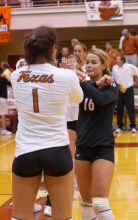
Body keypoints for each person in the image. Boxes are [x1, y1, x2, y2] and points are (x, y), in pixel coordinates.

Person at [10, 26, 84, 220]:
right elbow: (78, 98)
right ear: (53, 48)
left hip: (25, 151)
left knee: (19, 216)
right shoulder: (66, 75)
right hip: (56, 150)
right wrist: (74, 77)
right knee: (63, 216)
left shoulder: (15, 75)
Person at [75, 48, 118, 220]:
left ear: (103, 65)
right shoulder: (85, 86)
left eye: (94, 62)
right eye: (87, 62)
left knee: (100, 203)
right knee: (86, 203)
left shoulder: (111, 84)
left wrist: (84, 82)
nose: (89, 65)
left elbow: (100, 99)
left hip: (103, 147)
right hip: (83, 146)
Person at [112, 54, 138, 134]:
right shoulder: (114, 68)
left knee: (130, 108)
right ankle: (119, 127)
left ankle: (133, 127)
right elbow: (113, 80)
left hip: (128, 90)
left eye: (117, 59)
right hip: (119, 90)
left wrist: (136, 82)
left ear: (122, 60)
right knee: (119, 109)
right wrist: (115, 87)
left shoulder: (129, 67)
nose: (116, 60)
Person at [0, 66, 12, 135]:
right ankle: (3, 130)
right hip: (2, 98)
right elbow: (10, 84)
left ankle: (1, 128)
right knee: (3, 114)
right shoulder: (3, 78)